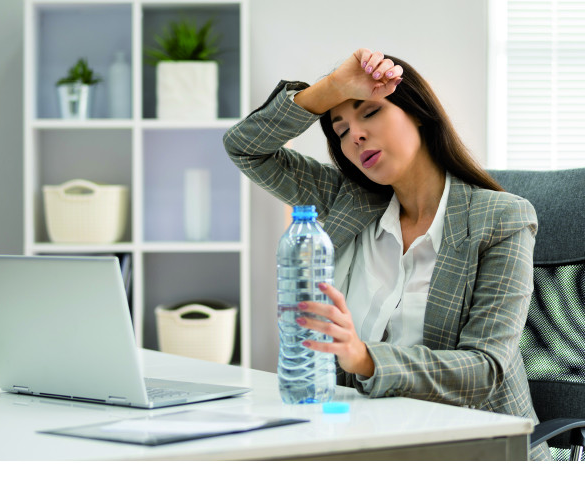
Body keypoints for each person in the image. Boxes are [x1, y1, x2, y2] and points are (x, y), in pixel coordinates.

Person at [223, 48, 551, 460]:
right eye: (340, 130)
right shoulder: (345, 201)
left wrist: (365, 359)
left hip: (470, 448)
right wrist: (327, 91)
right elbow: (245, 148)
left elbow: (484, 369)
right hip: (360, 435)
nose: (354, 136)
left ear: (416, 112)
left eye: (370, 113)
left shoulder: (501, 219)